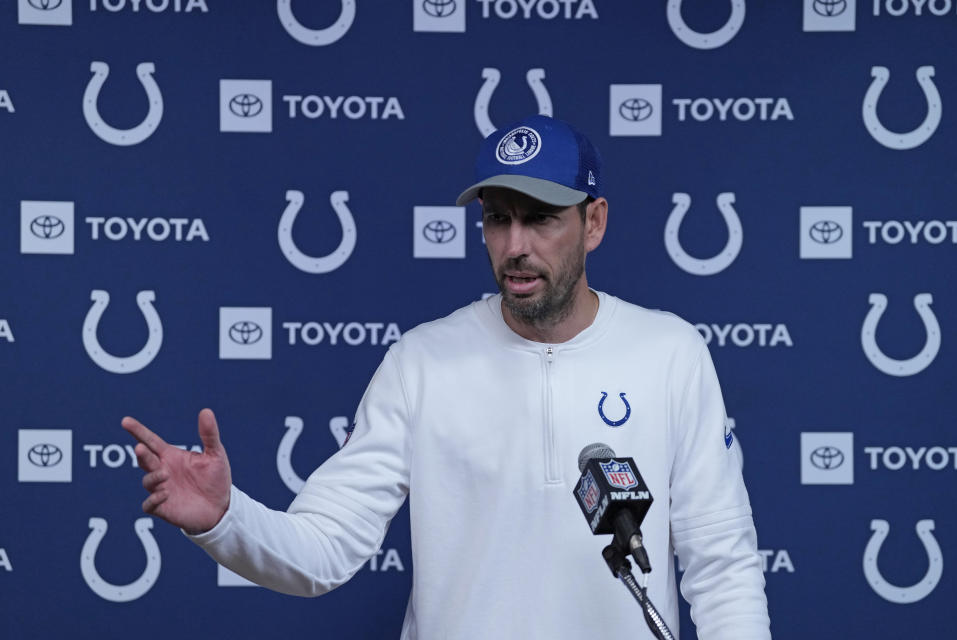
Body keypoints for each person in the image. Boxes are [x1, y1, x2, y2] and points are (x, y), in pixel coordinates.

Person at [123, 114, 771, 639]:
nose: (515, 244)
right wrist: (225, 517)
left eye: (541, 217)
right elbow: (323, 548)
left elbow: (721, 564)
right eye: (497, 218)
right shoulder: (422, 364)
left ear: (593, 222)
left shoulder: (669, 353)